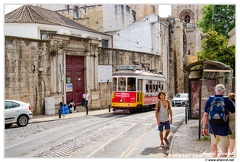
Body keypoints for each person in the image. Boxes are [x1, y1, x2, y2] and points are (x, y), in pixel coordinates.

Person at [202, 84, 235, 157]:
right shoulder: (227, 100)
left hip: (212, 127)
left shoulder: (210, 99)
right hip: (224, 127)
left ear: (215, 90)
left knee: (214, 144)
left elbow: (205, 115)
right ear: (223, 91)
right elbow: (234, 113)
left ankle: (214, 158)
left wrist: (204, 127)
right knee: (224, 148)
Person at [228, 93, 235, 157]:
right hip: (234, 123)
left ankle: (229, 152)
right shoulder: (234, 106)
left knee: (231, 138)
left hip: (229, 123)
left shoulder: (227, 104)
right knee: (232, 138)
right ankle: (231, 152)